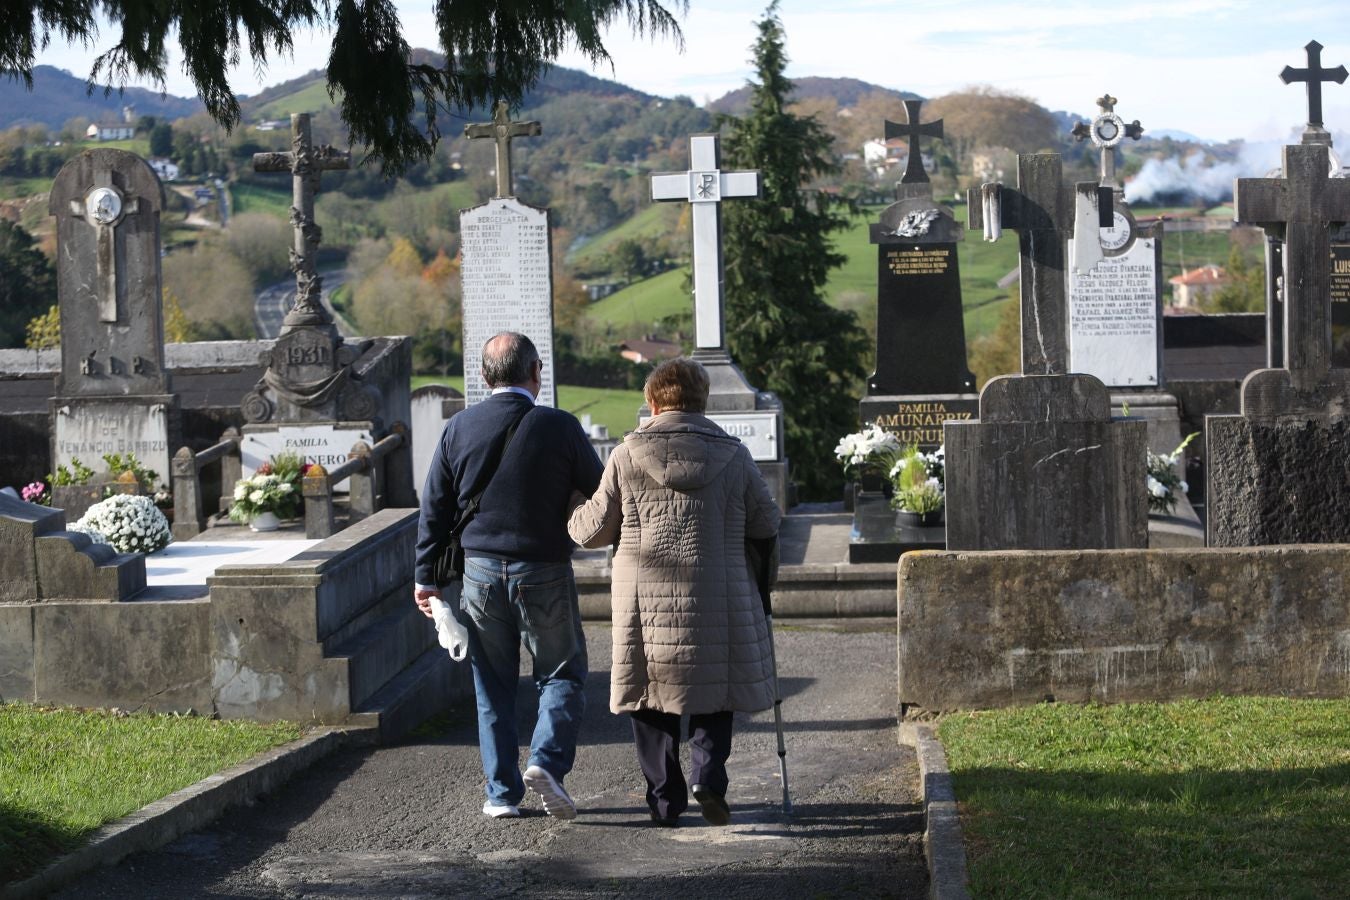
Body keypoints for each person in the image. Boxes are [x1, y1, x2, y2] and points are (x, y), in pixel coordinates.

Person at [567, 357, 781, 827]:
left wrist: (573, 507)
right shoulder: (735, 455)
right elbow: (767, 523)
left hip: (646, 600)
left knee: (649, 695)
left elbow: (592, 532)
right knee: (715, 688)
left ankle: (665, 800)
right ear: (703, 401)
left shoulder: (626, 455)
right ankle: (708, 777)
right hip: (719, 593)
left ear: (651, 402)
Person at [415, 332, 602, 821]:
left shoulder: (459, 427)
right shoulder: (559, 427)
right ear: (537, 371)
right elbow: (599, 491)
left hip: (478, 574)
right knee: (560, 672)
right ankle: (546, 763)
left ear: (483, 376)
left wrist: (425, 578)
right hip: (543, 568)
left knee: (492, 685)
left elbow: (434, 507)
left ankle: (501, 794)